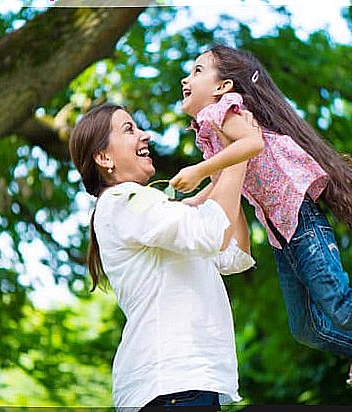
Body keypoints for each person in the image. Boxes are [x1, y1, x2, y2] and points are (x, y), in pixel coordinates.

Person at [168, 44, 352, 393]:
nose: (187, 79)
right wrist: (188, 204)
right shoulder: (212, 134)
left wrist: (196, 170)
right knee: (306, 328)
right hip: (282, 237)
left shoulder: (224, 111)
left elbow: (251, 143)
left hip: (301, 219)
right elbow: (221, 182)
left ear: (222, 87)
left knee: (342, 306)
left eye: (198, 71)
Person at [68, 103, 260, 409]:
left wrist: (229, 161)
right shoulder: (124, 200)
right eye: (129, 129)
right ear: (104, 158)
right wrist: (238, 151)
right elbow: (210, 231)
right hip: (172, 384)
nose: (144, 135)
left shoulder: (149, 211)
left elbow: (232, 254)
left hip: (184, 384)